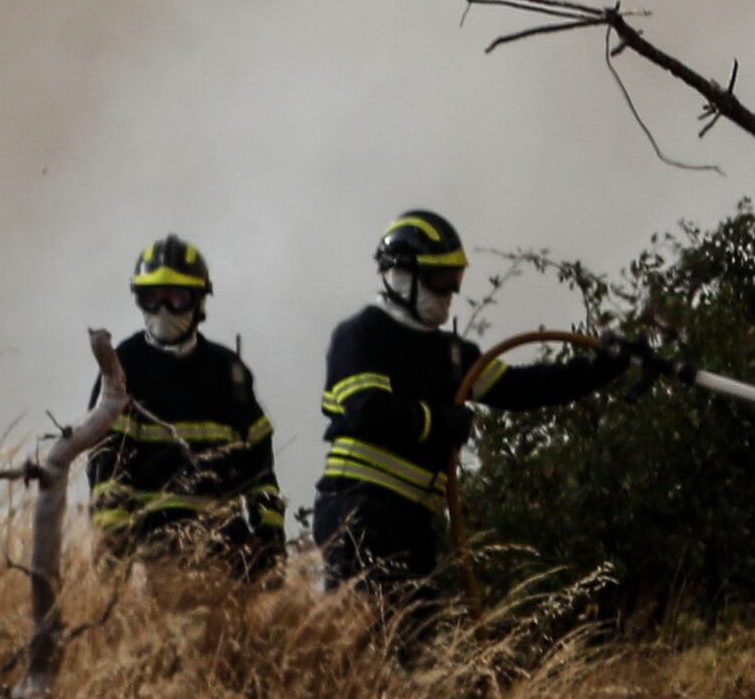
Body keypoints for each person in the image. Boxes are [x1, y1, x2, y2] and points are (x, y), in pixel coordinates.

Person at [309, 207, 646, 617]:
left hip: (413, 520)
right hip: (359, 510)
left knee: (413, 646)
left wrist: (603, 367)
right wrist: (438, 422)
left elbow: (521, 388)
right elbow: (367, 411)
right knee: (362, 643)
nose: (449, 292)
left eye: (455, 280)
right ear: (402, 276)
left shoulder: (450, 353)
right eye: (439, 279)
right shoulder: (362, 334)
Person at [87, 234, 287, 579]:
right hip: (148, 552)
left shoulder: (229, 373)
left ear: (198, 302)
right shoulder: (123, 368)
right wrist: (112, 543)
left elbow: (259, 468)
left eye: (176, 298)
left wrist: (269, 536)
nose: (164, 311)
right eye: (153, 298)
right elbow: (106, 465)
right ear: (139, 301)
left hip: (223, 553)